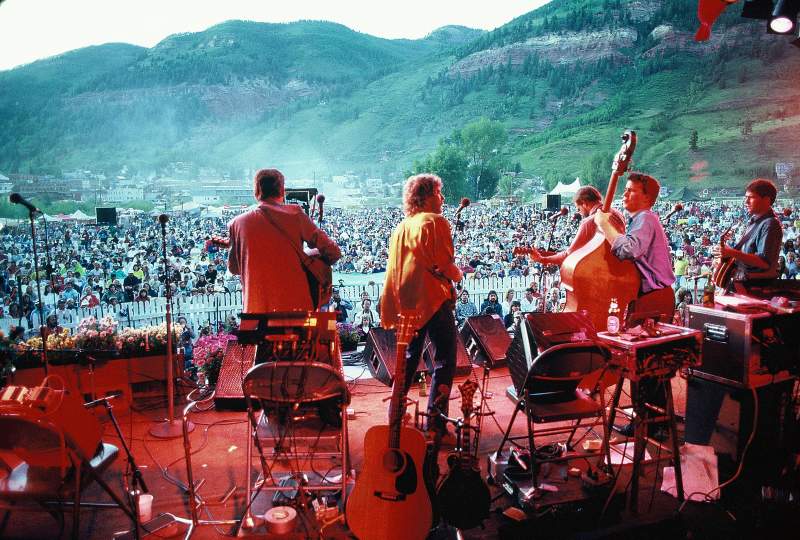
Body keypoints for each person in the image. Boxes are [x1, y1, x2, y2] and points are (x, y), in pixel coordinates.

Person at [380, 173, 462, 442]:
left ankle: (396, 417)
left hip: (407, 302)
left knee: (408, 361)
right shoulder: (435, 221)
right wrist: (459, 275)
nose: (443, 199)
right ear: (426, 196)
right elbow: (444, 264)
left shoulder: (402, 226)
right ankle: (436, 423)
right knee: (445, 359)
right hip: (432, 299)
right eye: (439, 193)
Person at [594, 172, 675, 439]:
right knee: (648, 365)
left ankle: (653, 423)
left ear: (647, 197)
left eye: (630, 191)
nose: (624, 195)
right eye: (625, 190)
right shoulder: (640, 220)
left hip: (655, 298)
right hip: (652, 297)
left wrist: (606, 227)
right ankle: (649, 422)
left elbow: (629, 250)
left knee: (648, 363)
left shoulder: (646, 219)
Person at [227, 169, 341, 312]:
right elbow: (334, 252)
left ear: (256, 191)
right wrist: (310, 254)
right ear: (282, 190)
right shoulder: (294, 214)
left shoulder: (236, 224)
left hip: (255, 312)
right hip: (296, 309)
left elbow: (234, 268)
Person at [527, 186, 625, 267]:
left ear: (584, 203)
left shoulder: (589, 222)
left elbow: (570, 255)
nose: (579, 213)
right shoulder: (618, 213)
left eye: (578, 208)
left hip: (598, 272)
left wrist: (542, 259)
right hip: (619, 268)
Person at [713, 178, 782, 283]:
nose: (746, 202)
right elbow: (747, 256)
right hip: (743, 282)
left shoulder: (770, 224)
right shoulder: (754, 221)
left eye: (751, 197)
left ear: (766, 200)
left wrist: (733, 253)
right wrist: (727, 252)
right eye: (746, 198)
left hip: (755, 287)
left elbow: (764, 262)